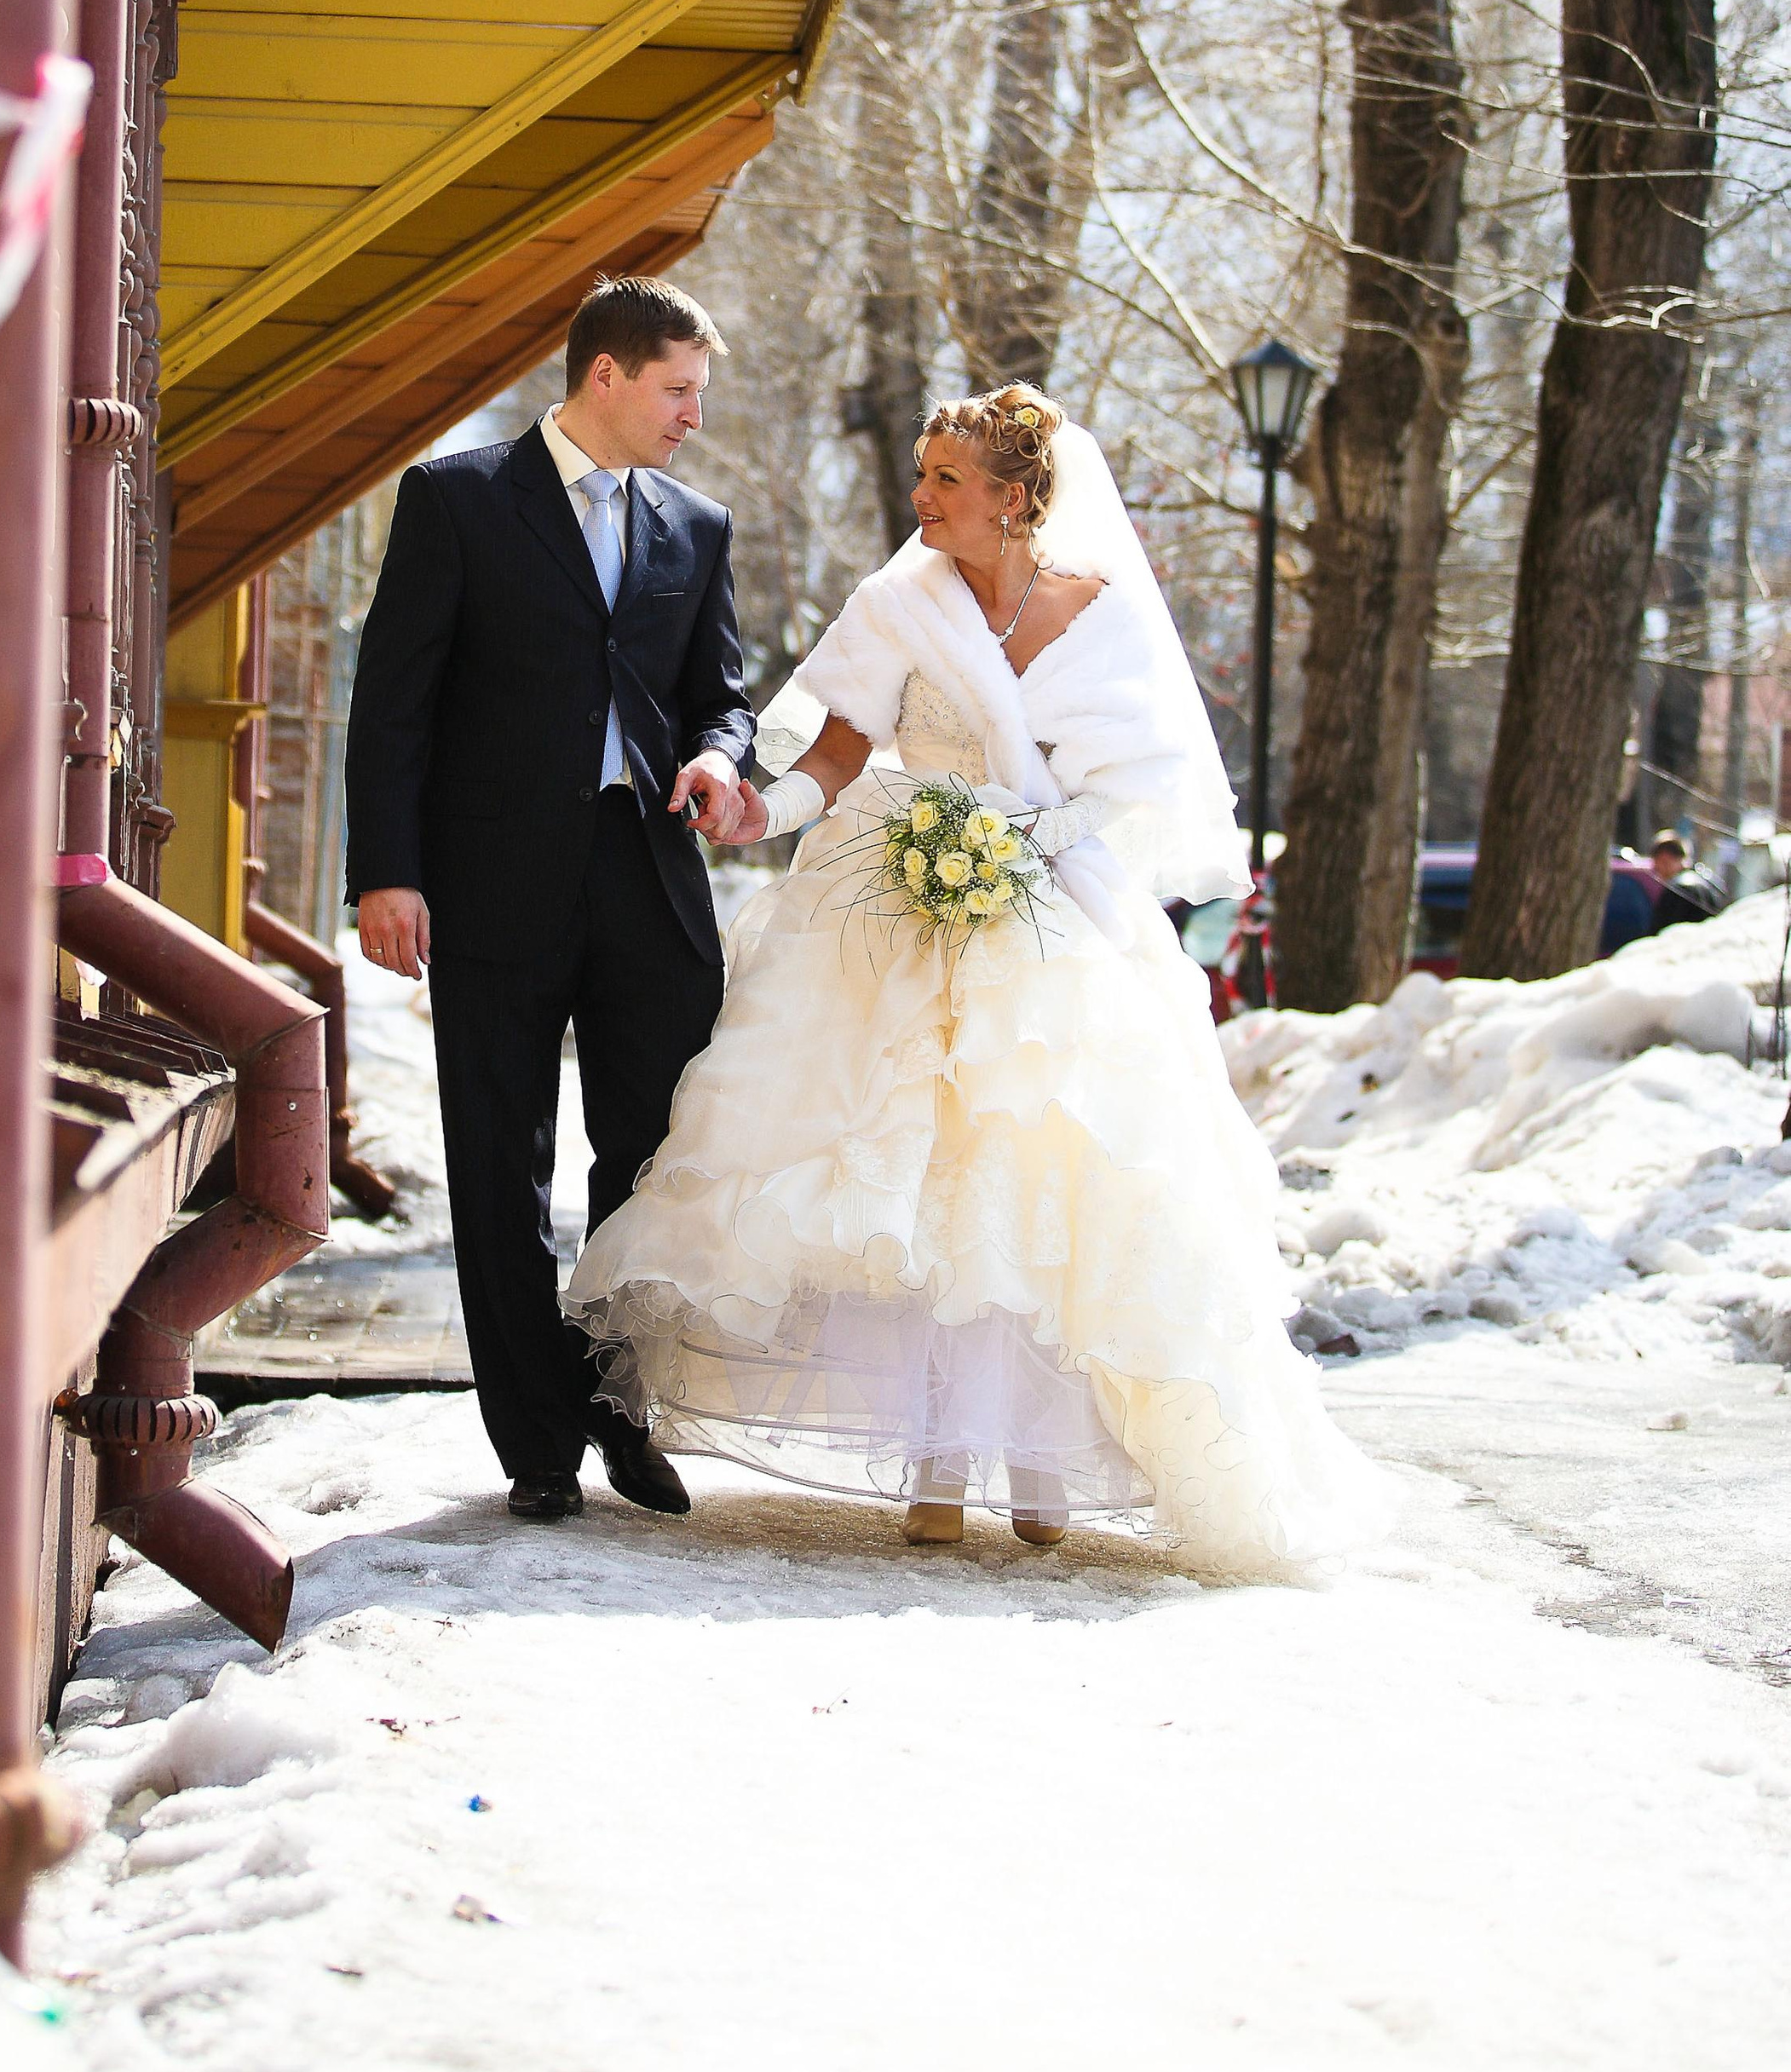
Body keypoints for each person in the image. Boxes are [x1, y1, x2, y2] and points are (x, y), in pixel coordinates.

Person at [566, 385, 1388, 1573]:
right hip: (897, 914)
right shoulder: (899, 604)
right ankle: (937, 1465)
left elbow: (1135, 784)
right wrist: (756, 813)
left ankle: (1041, 1465)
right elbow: (837, 758)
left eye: (945, 481)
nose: (921, 500)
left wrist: (1032, 841)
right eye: (921, 478)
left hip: (1050, 924)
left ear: (1014, 499)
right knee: (913, 1187)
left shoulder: (1103, 618)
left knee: (1039, 1187)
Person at [346, 274, 756, 1525]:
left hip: (648, 886)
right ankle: (537, 1444)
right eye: (678, 389)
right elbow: (394, 700)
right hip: (489, 886)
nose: (692, 415)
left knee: (648, 1163)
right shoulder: (457, 500)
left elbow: (722, 692)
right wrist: (388, 872)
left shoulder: (700, 526)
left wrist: (720, 756)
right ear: (607, 377)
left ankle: (624, 1414)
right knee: (496, 1167)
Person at [1649, 829, 1726, 931]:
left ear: (1665, 858)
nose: (1657, 872)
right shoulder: (1709, 882)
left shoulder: (1677, 890)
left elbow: (1665, 932)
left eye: (1657, 866)